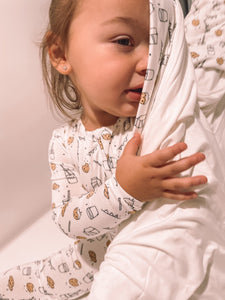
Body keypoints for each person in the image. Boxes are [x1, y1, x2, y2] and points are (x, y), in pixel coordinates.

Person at [0, 0, 208, 299]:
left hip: (139, 261)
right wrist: (125, 190)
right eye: (124, 41)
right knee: (17, 281)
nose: (149, 61)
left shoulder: (154, 120)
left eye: (158, 44)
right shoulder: (64, 143)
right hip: (86, 260)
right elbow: (68, 219)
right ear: (61, 55)